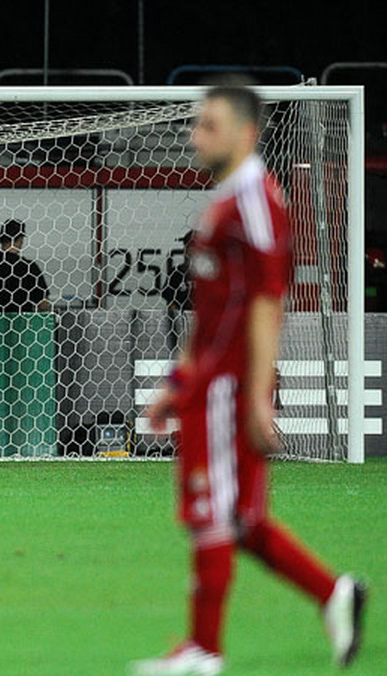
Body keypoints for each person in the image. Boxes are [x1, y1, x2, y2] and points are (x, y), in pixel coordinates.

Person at [132, 85, 366, 676]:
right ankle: (334, 593)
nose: (194, 135)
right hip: (208, 384)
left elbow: (267, 302)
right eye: (195, 124)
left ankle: (204, 651)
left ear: (246, 133)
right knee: (241, 519)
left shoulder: (257, 201)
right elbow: (213, 313)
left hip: (231, 390)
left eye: (207, 125)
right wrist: (177, 381)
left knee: (213, 512)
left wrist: (259, 394)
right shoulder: (224, 201)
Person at [161, 231, 194, 351]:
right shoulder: (177, 272)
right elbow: (167, 295)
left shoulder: (211, 273)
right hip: (181, 323)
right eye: (187, 247)